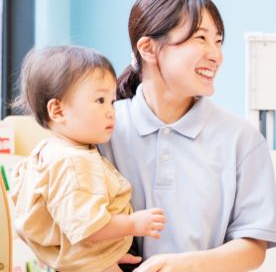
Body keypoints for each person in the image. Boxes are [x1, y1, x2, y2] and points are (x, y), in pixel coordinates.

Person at [98, 0, 276, 272]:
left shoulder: (242, 139)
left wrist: (190, 265)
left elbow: (253, 246)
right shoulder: (103, 129)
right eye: (200, 38)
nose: (216, 55)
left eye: (218, 41)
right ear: (148, 48)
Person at [10, 45, 166, 272]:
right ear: (57, 110)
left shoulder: (48, 150)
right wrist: (133, 224)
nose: (110, 111)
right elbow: (89, 227)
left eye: (111, 101)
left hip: (88, 259)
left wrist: (106, 251)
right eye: (100, 100)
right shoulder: (74, 164)